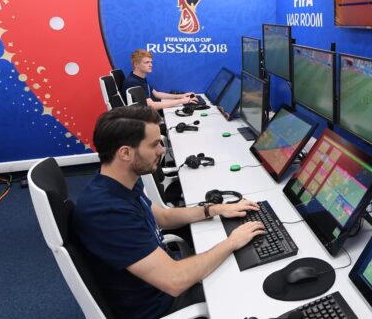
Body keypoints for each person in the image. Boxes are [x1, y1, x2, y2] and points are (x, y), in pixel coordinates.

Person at [73, 105, 266, 319]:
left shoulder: (119, 181)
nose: (162, 150)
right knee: (253, 289)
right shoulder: (107, 212)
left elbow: (163, 217)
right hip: (161, 306)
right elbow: (175, 280)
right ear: (125, 153)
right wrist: (232, 242)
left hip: (163, 280)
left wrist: (214, 209)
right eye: (154, 144)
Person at [122, 49, 198, 111]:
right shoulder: (133, 82)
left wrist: (181, 96)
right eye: (147, 62)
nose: (151, 65)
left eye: (151, 62)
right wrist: (182, 101)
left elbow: (156, 94)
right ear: (136, 64)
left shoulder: (139, 78)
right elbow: (151, 106)